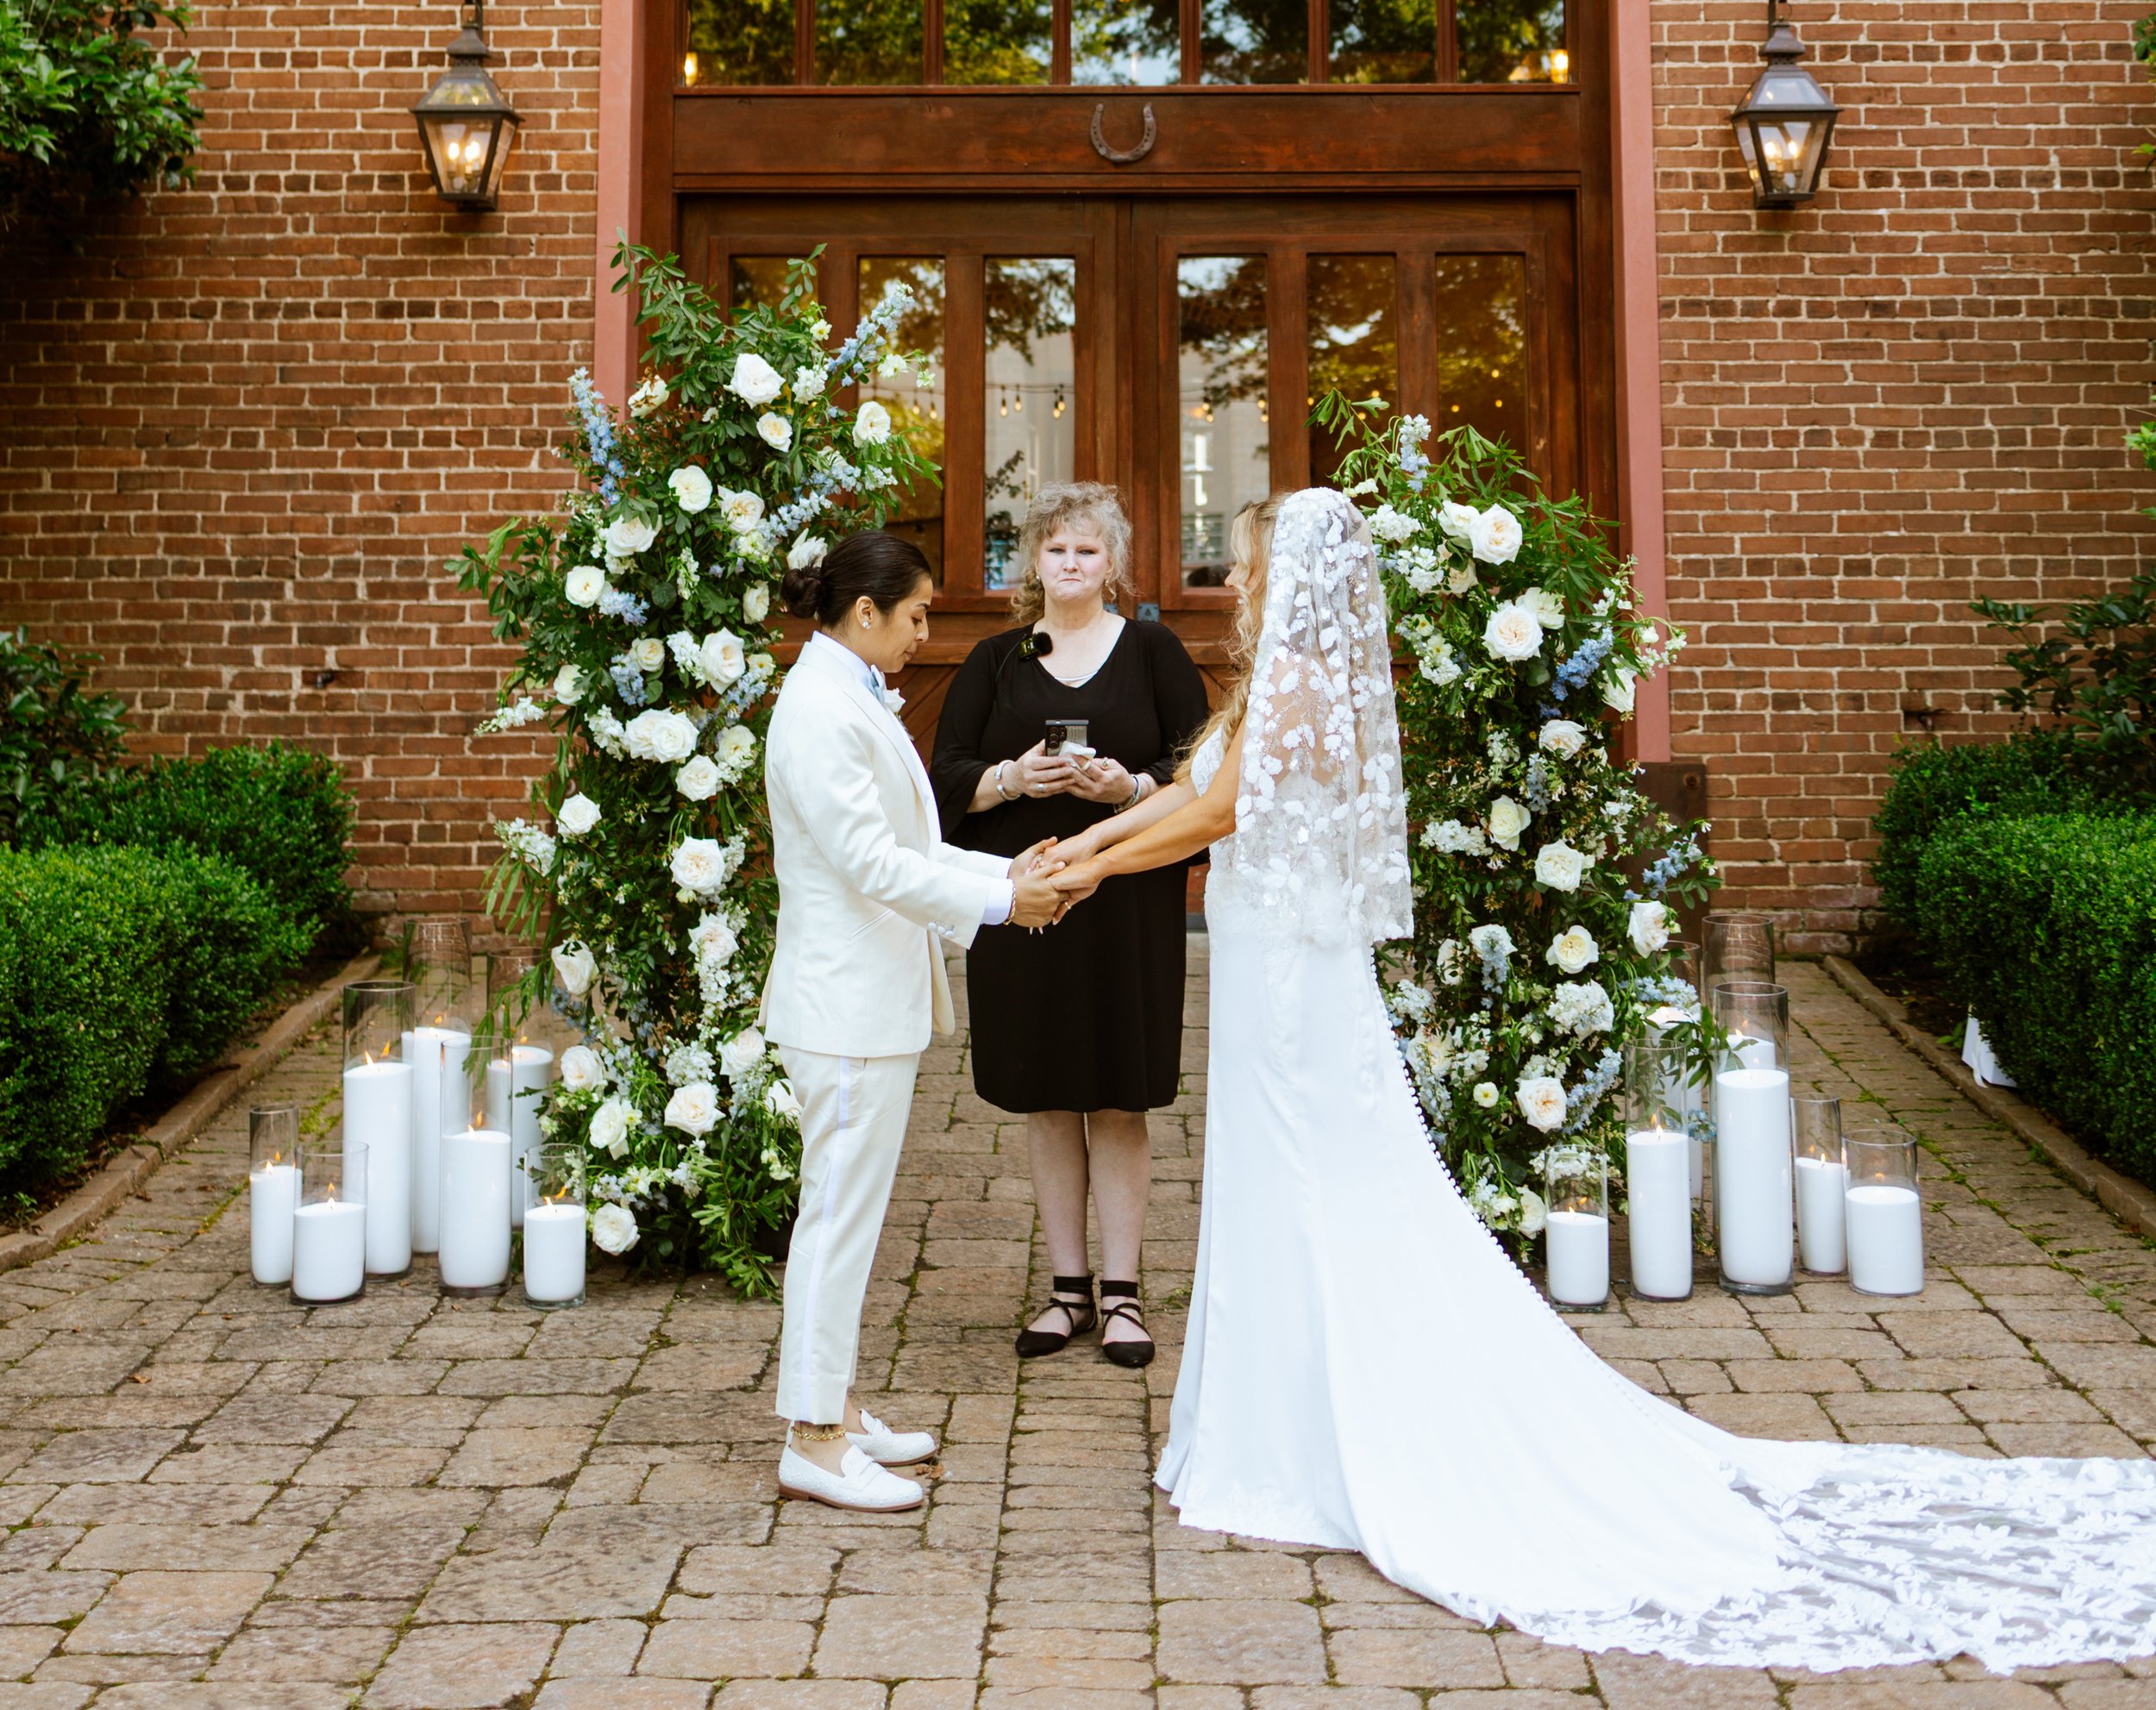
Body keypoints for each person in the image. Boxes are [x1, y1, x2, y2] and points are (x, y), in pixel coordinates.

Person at [1043, 485, 2156, 1674]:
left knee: (1312, 1179)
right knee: (1283, 1180)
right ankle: (1274, 1417)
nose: (1240, 575)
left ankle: (1309, 1433)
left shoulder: (1306, 686)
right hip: (1270, 963)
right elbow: (1191, 800)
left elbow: (1214, 810)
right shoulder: (1271, 684)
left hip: (1295, 986)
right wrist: (1090, 846)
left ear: (1295, 573)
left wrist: (1092, 867)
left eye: (1254, 558)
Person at [761, 528, 1065, 1516]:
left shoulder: (845, 691)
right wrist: (1000, 903)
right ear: (864, 613)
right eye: (917, 613)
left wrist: (1003, 872)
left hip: (867, 999)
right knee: (836, 1222)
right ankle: (811, 1438)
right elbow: (871, 866)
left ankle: (838, 1409)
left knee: (849, 1219)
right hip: (843, 1006)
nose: (926, 634)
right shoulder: (819, 710)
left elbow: (907, 842)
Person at [931, 481, 1209, 1367]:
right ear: (1033, 562)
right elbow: (940, 785)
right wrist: (1014, 779)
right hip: (1025, 903)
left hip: (1128, 905)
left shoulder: (1155, 651)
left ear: (1114, 564)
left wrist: (1123, 788)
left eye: (1088, 550)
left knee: (1120, 1098)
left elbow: (1204, 780)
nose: (1071, 564)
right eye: (1056, 549)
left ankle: (1124, 1296)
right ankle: (1066, 1291)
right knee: (1048, 1098)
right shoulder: (995, 661)